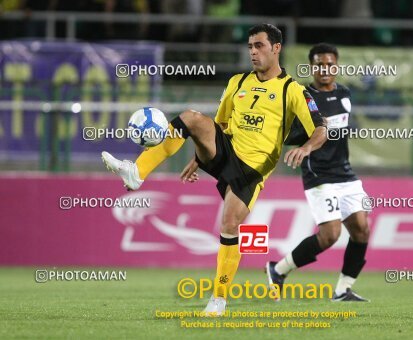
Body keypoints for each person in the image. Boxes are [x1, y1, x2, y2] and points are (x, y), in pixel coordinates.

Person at [101, 24, 327, 315]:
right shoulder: (237, 82)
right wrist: (199, 158)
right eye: (250, 47)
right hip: (226, 151)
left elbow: (321, 129)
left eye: (259, 46)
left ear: (276, 48)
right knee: (192, 118)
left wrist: (306, 147)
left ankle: (219, 299)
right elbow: (219, 125)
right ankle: (137, 172)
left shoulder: (292, 90)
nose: (253, 52)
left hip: (252, 170)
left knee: (230, 225)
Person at [265, 43, 371, 302]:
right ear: (311, 67)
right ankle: (278, 269)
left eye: (330, 64)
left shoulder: (345, 94)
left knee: (361, 229)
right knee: (330, 235)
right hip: (319, 174)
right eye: (319, 65)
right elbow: (286, 129)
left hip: (345, 174)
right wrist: (301, 146)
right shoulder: (303, 96)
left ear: (336, 66)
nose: (325, 69)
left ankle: (343, 289)